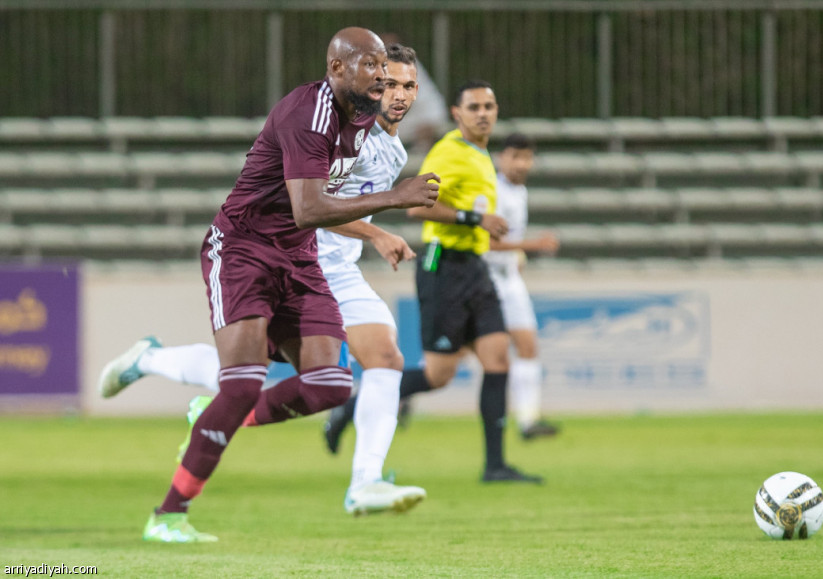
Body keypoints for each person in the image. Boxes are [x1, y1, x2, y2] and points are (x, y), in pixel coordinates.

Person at [133, 28, 440, 543]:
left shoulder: (371, 124)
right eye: (373, 69)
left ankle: (220, 411)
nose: (385, 81)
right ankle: (169, 514)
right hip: (244, 248)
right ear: (337, 69)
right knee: (242, 382)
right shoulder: (310, 112)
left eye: (391, 75)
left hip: (301, 259)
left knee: (331, 384)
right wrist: (391, 203)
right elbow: (310, 208)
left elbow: (328, 201)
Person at [403, 80, 542, 483]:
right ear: (456, 113)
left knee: (498, 359)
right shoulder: (449, 151)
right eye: (474, 106)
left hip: (474, 269)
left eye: (490, 106)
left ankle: (495, 465)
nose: (483, 113)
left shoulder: (481, 157)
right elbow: (416, 207)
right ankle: (355, 405)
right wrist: (475, 219)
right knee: (438, 375)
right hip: (441, 264)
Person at [483, 133, 561, 440]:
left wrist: (518, 253)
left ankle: (528, 420)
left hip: (508, 279)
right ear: (501, 158)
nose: (521, 163)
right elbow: (486, 241)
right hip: (484, 277)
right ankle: (405, 397)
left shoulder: (520, 191)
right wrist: (532, 245)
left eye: (527, 157)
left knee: (527, 346)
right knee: (452, 353)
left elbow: (507, 238)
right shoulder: (492, 191)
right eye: (515, 156)